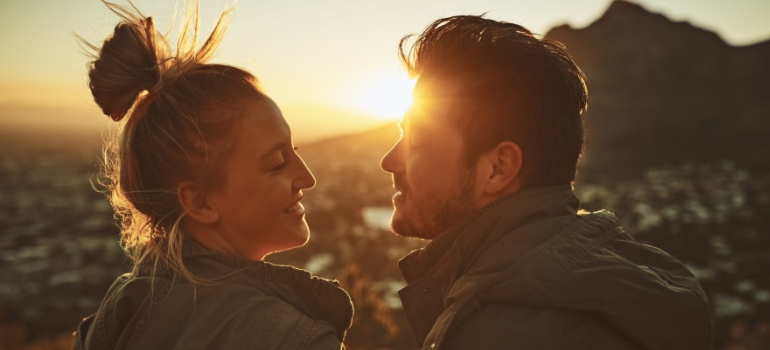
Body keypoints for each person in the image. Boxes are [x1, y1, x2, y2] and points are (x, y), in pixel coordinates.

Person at [381, 15, 712, 350]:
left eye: (417, 142)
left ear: (498, 168)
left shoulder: (495, 335)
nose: (389, 161)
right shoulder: (623, 276)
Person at [72, 2, 352, 349]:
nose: (307, 177)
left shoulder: (118, 314)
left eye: (296, 151)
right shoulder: (288, 339)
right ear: (200, 202)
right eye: (278, 161)